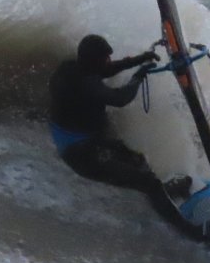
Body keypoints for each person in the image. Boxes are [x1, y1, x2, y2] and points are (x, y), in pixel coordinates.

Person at [48, 34, 196, 233]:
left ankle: (162, 195)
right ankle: (186, 230)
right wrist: (137, 77)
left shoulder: (72, 68)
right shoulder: (87, 84)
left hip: (84, 141)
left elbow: (105, 70)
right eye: (105, 58)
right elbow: (120, 98)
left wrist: (139, 59)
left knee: (138, 160)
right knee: (148, 182)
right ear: (93, 61)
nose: (109, 61)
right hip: (80, 154)